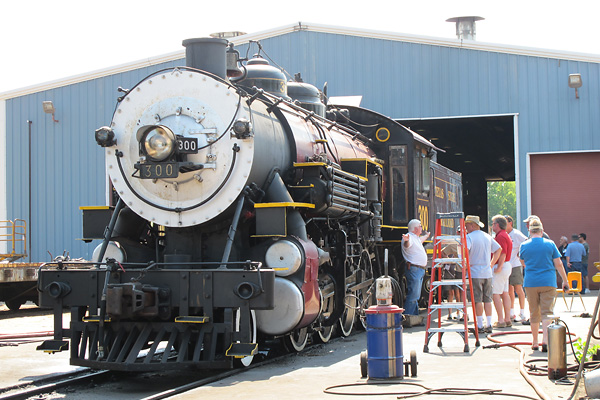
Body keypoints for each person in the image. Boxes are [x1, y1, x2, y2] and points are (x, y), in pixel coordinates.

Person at [519, 218, 569, 351]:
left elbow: (522, 262)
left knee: (534, 312)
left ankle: (534, 342)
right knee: (547, 312)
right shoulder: (550, 244)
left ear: (529, 231)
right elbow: (558, 264)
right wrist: (565, 280)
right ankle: (545, 341)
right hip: (548, 281)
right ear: (542, 231)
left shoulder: (524, 245)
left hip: (530, 282)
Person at [465, 215, 502, 333]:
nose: (466, 228)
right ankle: (489, 324)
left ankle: (480, 325)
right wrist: (491, 264)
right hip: (487, 272)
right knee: (487, 299)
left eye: (467, 225)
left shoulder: (469, 237)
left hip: (475, 272)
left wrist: (466, 264)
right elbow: (498, 249)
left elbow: (465, 252)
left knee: (477, 300)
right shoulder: (487, 236)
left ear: (472, 225)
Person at [401, 219, 430, 316]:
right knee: (414, 295)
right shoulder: (410, 238)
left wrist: (427, 236)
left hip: (418, 269)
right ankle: (408, 317)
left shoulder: (416, 238)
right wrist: (406, 240)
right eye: (420, 226)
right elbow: (407, 245)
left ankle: (414, 317)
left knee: (416, 295)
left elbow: (421, 240)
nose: (422, 227)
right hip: (415, 269)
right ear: (415, 228)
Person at [505, 215, 528, 323]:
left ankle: (522, 312)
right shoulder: (503, 234)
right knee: (509, 289)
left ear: (510, 223)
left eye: (505, 222)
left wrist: (521, 253)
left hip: (515, 264)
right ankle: (511, 312)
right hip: (506, 265)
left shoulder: (517, 234)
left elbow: (526, 242)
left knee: (518, 288)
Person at [491, 215, 513, 328]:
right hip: (507, 265)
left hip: (502, 265)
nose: (492, 225)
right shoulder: (506, 235)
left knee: (495, 293)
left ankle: (500, 320)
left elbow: (502, 252)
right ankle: (507, 318)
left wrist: (498, 266)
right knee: (505, 293)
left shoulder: (501, 236)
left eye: (493, 223)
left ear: (497, 225)